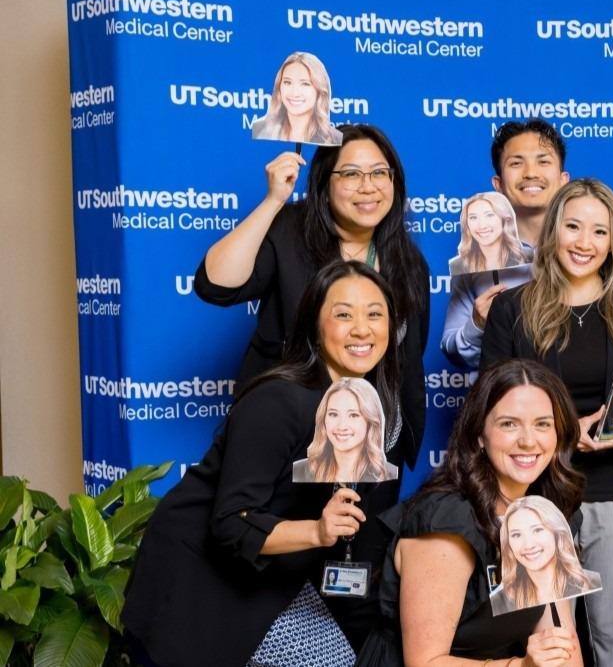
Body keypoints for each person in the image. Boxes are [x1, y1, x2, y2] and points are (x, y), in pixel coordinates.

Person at [123, 261, 408, 666]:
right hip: (201, 584)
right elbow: (231, 522)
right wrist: (318, 530)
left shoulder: (376, 409)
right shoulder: (278, 401)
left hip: (283, 576)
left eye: (375, 314)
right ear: (314, 324)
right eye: (343, 314)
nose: (362, 329)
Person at [482, 178, 613, 666]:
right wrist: (568, 432)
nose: (584, 243)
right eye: (573, 227)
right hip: (536, 494)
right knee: (548, 647)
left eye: (599, 232)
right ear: (553, 232)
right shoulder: (513, 309)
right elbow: (491, 401)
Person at [195, 123, 428, 470]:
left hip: (371, 442)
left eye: (380, 172)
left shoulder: (407, 260)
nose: (368, 186)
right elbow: (215, 285)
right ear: (324, 182)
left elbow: (409, 352)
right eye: (350, 173)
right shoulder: (290, 230)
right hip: (287, 431)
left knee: (362, 525)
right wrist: (273, 201)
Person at [355, 359, 587, 666]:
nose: (528, 440)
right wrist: (521, 666)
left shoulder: (550, 513)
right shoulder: (447, 520)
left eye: (542, 424)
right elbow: (426, 663)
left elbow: (561, 644)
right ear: (479, 435)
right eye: (509, 424)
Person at [441, 119, 571, 372]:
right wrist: (477, 324)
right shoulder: (477, 256)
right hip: (505, 399)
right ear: (498, 184)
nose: (531, 172)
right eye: (516, 163)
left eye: (543, 161)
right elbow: (452, 351)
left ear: (563, 178)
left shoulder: (585, 249)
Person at [490, 495, 602, 615]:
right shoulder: (500, 600)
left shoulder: (589, 582)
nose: (528, 545)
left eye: (537, 530)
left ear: (557, 533)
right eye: (517, 535)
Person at [292, 377, 400, 483]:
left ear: (371, 421)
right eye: (333, 414)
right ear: (323, 419)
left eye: (353, 415)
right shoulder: (299, 471)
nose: (342, 426)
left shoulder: (389, 474)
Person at [251, 51, 343, 146]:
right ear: (279, 87)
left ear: (319, 91)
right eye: (287, 82)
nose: (295, 93)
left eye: (305, 84)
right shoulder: (259, 129)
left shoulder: (335, 140)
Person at [448, 191, 532, 276]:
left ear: (506, 220)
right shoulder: (457, 265)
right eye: (473, 217)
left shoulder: (529, 257)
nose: (482, 225)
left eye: (489, 215)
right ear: (467, 224)